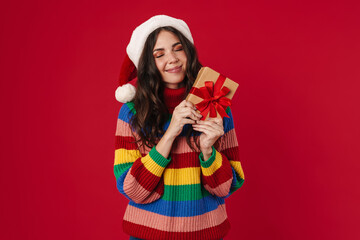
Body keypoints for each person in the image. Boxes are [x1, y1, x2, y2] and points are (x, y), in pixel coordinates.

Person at [113, 15, 245, 240]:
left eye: (178, 48)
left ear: (189, 52)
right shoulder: (132, 112)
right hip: (148, 235)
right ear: (147, 62)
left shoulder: (216, 101)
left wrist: (207, 150)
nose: (172, 59)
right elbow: (132, 190)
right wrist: (170, 133)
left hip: (207, 234)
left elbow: (227, 188)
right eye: (159, 54)